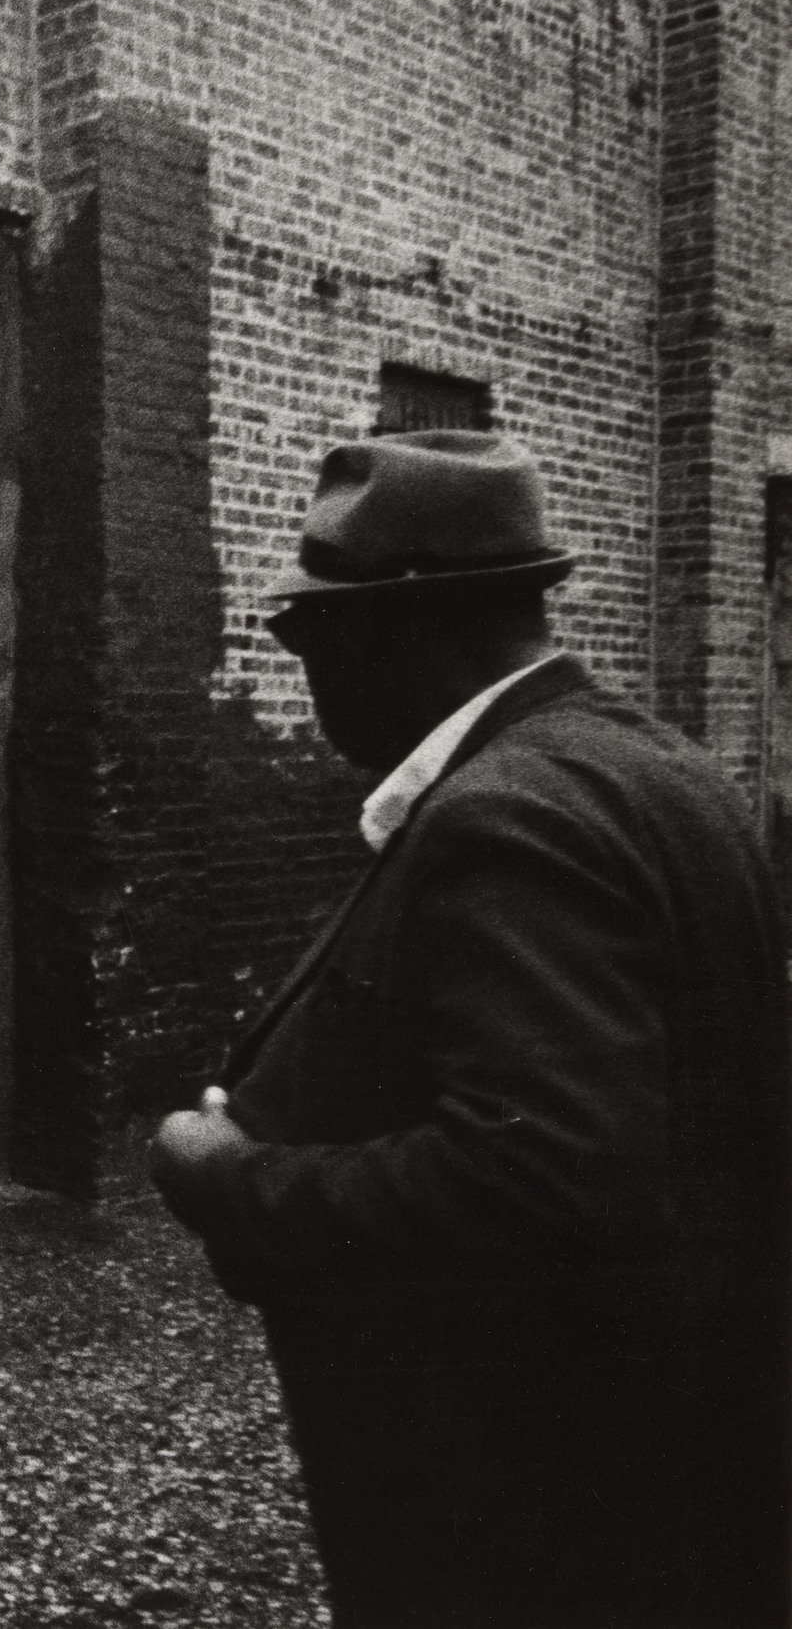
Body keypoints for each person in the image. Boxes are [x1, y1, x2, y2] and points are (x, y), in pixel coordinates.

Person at [149, 432, 789, 1629]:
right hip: (672, 1464)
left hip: (515, 1509)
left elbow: (537, 1180)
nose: (304, 669)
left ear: (400, 625)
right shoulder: (665, 773)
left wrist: (235, 1178)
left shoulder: (504, 818)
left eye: (310, 635)